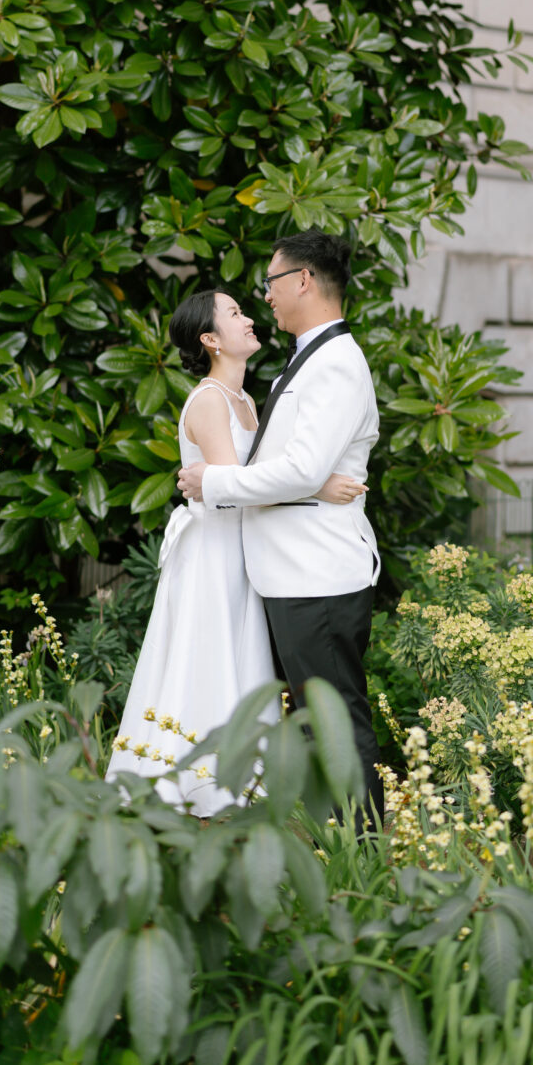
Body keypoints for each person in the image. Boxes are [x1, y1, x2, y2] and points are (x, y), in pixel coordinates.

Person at [106, 287, 365, 816]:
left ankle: (243, 774)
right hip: (213, 551)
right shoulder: (207, 401)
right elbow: (233, 486)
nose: (249, 319)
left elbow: (247, 479)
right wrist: (319, 486)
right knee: (207, 657)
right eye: (234, 314)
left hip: (245, 548)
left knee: (241, 656)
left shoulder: (248, 400)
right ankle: (196, 780)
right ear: (210, 339)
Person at [177, 230, 384, 827]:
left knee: (336, 721)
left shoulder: (336, 364)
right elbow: (299, 469)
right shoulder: (310, 358)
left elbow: (299, 468)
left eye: (269, 283)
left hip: (316, 574)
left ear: (303, 281)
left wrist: (210, 483)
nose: (264, 296)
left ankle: (363, 853)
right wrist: (314, 481)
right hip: (293, 573)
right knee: (318, 722)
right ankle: (336, 843)